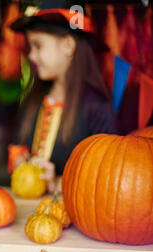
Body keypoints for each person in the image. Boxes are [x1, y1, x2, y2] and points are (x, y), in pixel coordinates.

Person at [8, 8, 115, 193]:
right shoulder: (34, 100)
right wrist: (20, 162)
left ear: (68, 45)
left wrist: (60, 182)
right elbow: (18, 147)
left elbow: (105, 177)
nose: (32, 56)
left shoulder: (97, 107)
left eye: (38, 46)